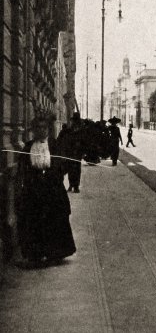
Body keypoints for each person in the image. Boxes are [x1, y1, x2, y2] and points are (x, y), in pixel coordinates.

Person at [15, 115, 76, 267]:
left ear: (48, 129)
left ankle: (54, 254)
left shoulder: (55, 145)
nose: (41, 130)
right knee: (34, 221)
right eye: (38, 128)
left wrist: (53, 175)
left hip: (53, 190)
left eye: (44, 127)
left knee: (54, 221)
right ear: (33, 130)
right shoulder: (28, 147)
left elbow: (64, 165)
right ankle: (35, 254)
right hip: (33, 191)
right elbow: (23, 169)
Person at [57, 112, 85, 193]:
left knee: (77, 170)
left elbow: (84, 142)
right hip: (70, 152)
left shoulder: (81, 131)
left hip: (78, 153)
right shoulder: (69, 131)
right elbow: (64, 140)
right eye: (74, 121)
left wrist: (83, 152)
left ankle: (76, 186)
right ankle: (71, 185)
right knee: (70, 169)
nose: (75, 123)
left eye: (77, 121)